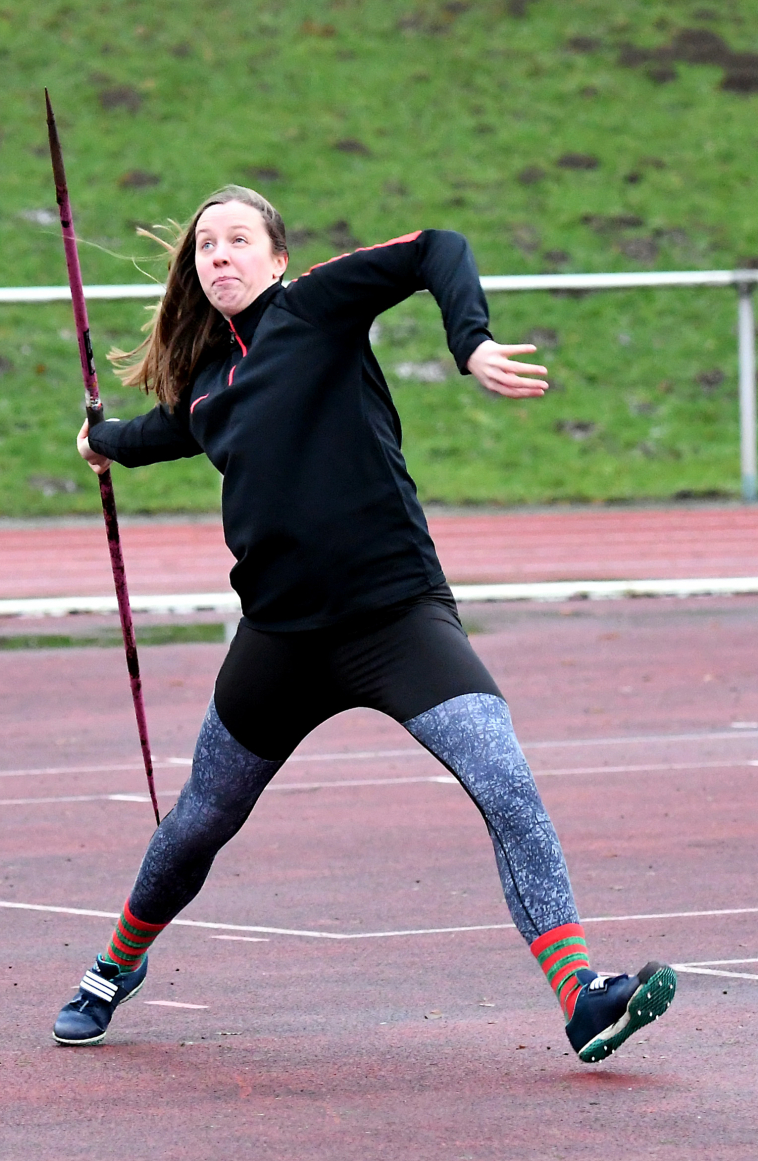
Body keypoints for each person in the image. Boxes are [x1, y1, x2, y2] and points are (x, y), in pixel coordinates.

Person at [53, 185, 676, 1062]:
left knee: (506, 782)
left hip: (397, 619)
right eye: (205, 247)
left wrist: (473, 345)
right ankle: (114, 967)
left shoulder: (316, 306)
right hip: (281, 642)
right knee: (198, 822)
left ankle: (582, 996)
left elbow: (437, 245)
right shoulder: (207, 389)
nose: (219, 256)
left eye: (238, 241)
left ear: (275, 257)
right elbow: (170, 431)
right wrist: (103, 441)